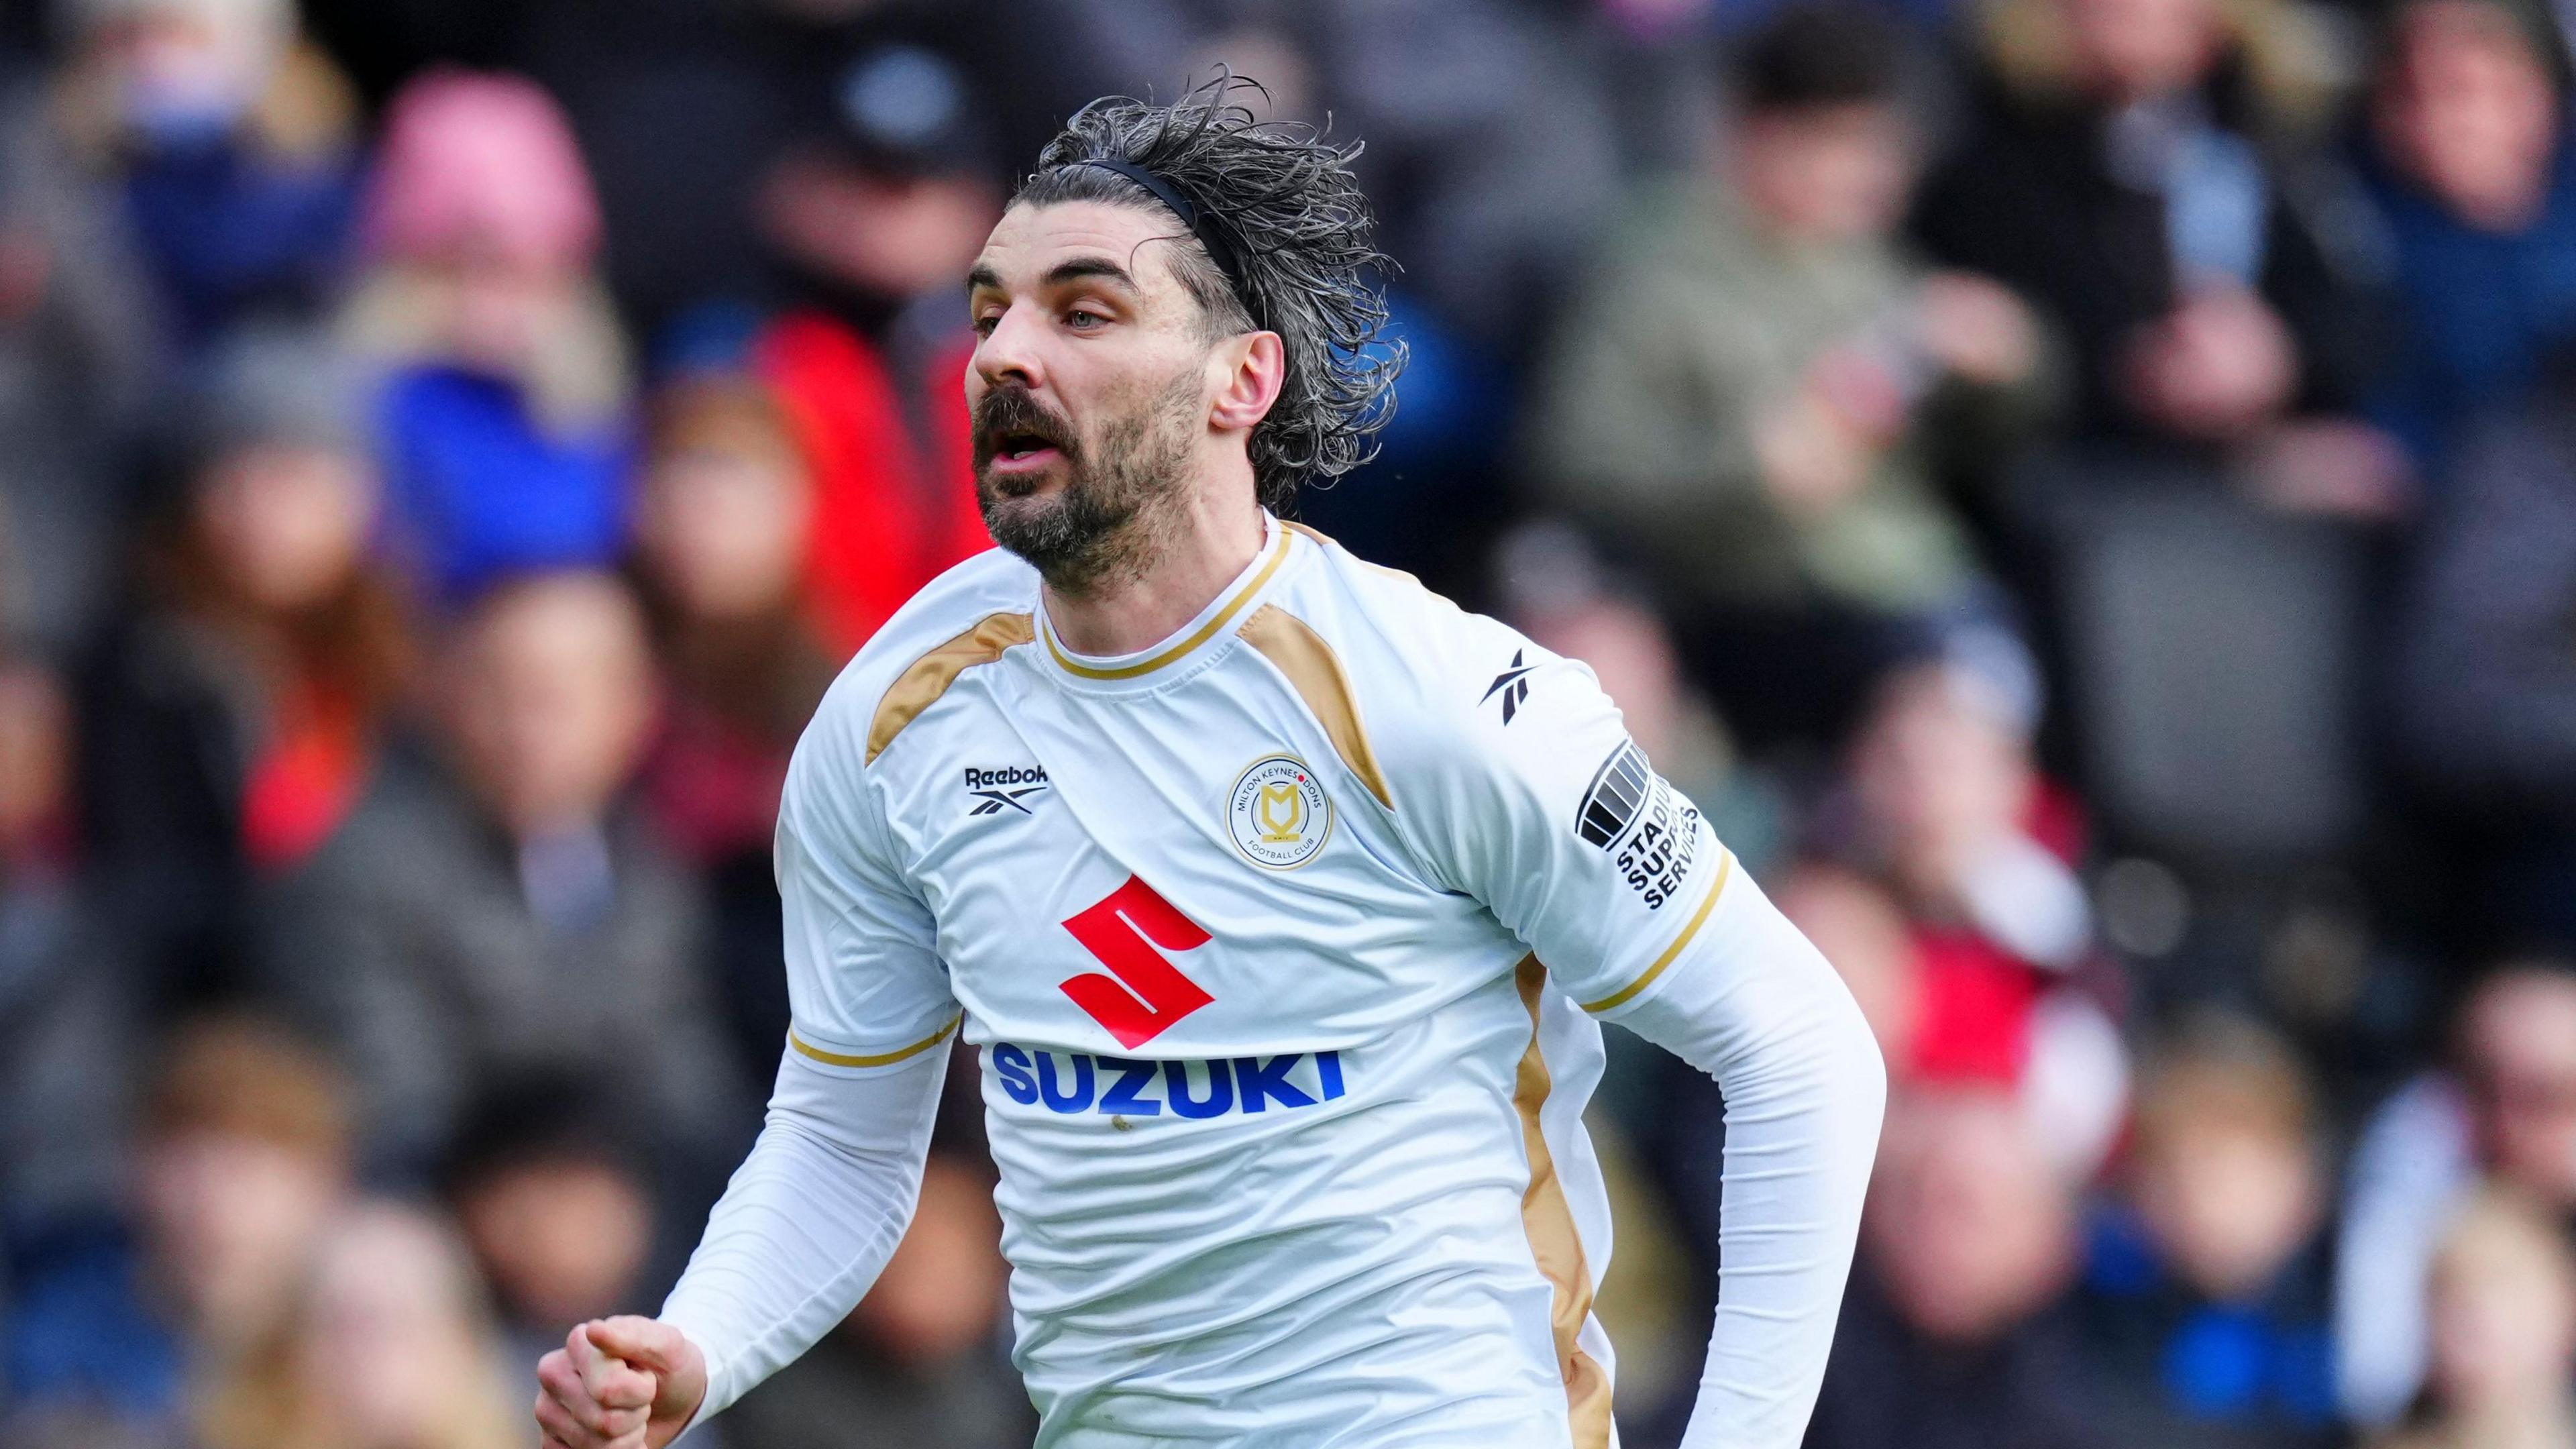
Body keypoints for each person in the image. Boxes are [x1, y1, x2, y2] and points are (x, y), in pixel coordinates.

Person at [533, 77, 1884, 1449]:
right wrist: (700, 1345)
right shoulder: (897, 714)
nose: (1005, 353)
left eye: (1086, 311)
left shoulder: (1433, 697)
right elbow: (839, 1140)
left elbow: (1802, 1049)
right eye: (990, 308)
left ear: (1244, 380)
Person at [1527, 5, 2051, 743]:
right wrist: (1750, 471)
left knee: (1967, 706)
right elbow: (1578, 463)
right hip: (1727, 603)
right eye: (1840, 144)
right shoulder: (1657, 267)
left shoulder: (1882, 271)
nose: (1869, 175)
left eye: (1883, 148)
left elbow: (1991, 442)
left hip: (1898, 597)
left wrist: (2009, 365)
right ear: (1757, 134)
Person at [252, 571, 748, 1182]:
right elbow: (396, 1113)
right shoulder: (358, 868)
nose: (529, 725)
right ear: (443, 692)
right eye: (500, 687)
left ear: (635, 710)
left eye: (563, 694)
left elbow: (691, 1102)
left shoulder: (653, 871)